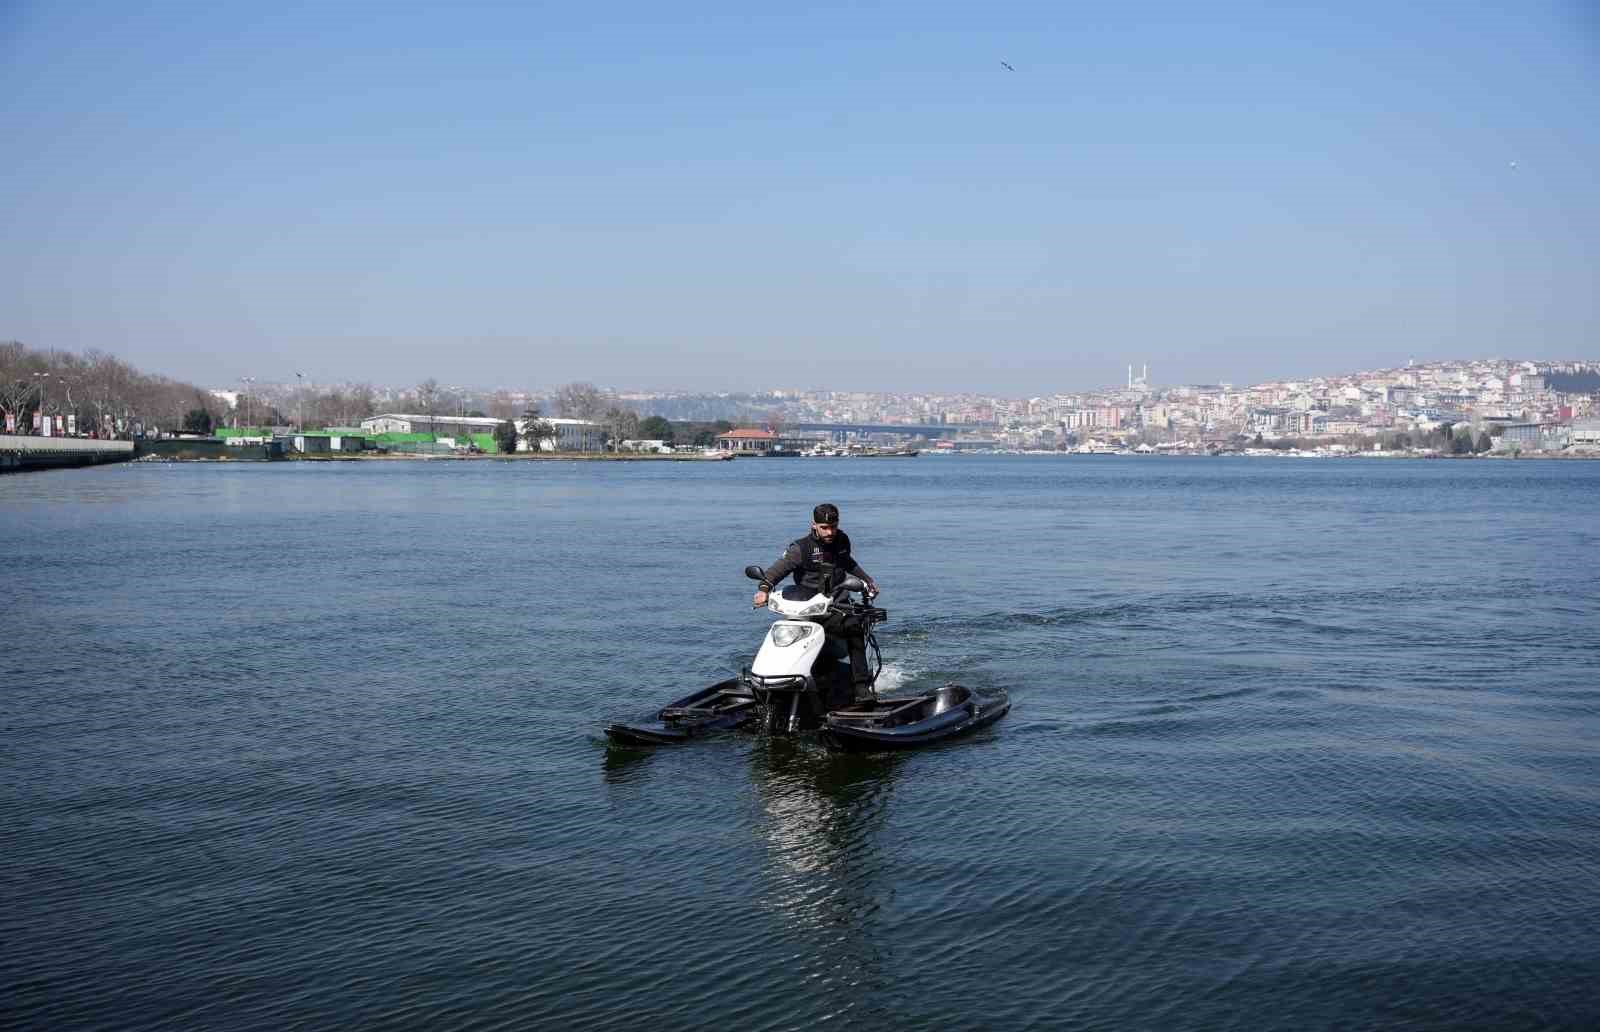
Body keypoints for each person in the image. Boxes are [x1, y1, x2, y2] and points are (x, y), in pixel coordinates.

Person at [752, 503, 880, 703]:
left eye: (833, 527)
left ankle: (861, 687)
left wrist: (868, 581)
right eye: (824, 528)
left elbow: (847, 562)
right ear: (814, 525)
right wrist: (763, 589)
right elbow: (777, 570)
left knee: (855, 628)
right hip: (806, 609)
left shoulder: (842, 540)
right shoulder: (800, 548)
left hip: (836, 606)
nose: (830, 532)